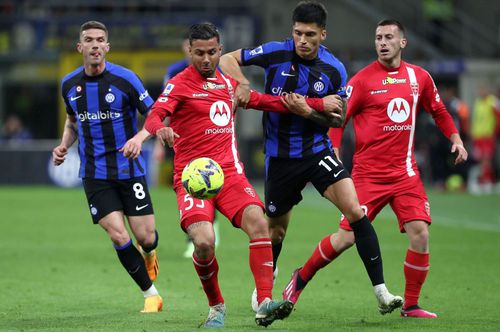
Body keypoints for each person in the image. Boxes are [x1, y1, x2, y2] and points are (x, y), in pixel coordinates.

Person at [123, 22, 340, 328]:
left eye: (212, 52)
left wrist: (316, 104)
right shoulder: (180, 84)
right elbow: (156, 113)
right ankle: (216, 307)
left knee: (259, 224)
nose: (206, 59)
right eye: (199, 53)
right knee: (204, 242)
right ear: (189, 51)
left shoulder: (229, 84)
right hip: (193, 179)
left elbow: (269, 102)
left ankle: (264, 302)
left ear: (220, 50)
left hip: (230, 174)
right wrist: (162, 130)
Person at [219, 0, 402, 315]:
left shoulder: (334, 69)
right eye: (298, 33)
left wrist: (308, 110)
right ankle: (268, 280)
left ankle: (382, 291)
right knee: (276, 230)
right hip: (279, 158)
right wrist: (244, 82)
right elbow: (226, 59)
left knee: (357, 212)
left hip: (317, 152)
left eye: (310, 35)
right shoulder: (276, 51)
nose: (303, 40)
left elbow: (336, 120)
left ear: (323, 35)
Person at [284, 19, 468, 318]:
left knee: (420, 233)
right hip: (368, 176)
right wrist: (333, 150)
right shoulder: (362, 81)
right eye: (378, 37)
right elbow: (337, 117)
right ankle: (299, 279)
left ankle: (411, 305)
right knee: (345, 238)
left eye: (389, 37)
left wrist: (456, 139)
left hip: (405, 174)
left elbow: (439, 110)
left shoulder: (419, 78)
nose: (383, 42)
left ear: (402, 42)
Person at [52, 21, 162, 313]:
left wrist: (140, 137)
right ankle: (151, 294)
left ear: (108, 47)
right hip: (94, 174)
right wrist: (64, 145)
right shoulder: (69, 85)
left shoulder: (126, 80)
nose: (95, 45)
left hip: (129, 169)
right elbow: (72, 121)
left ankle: (150, 253)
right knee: (118, 235)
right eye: (89, 40)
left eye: (100, 40)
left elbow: (154, 114)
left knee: (146, 237)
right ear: (80, 47)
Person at [156, 32, 221, 258]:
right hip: (182, 141)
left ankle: (212, 225)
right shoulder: (175, 73)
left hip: (213, 141)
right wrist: (158, 142)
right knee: (189, 185)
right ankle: (196, 233)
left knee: (214, 183)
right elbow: (164, 107)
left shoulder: (217, 72)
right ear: (188, 48)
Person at [471, 83, 498, 192]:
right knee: (481, 159)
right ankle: (486, 180)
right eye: (480, 90)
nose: (481, 92)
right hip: (478, 135)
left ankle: (487, 181)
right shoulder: (478, 102)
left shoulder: (493, 101)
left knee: (487, 159)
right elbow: (475, 119)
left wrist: (495, 131)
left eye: (483, 90)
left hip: (488, 134)